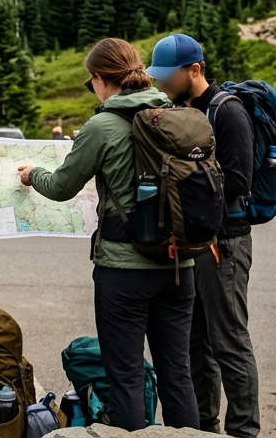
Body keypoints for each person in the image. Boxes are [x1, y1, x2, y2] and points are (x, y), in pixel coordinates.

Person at [18, 38, 199, 431]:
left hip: (124, 268)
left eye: (91, 83)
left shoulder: (101, 126)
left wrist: (34, 175)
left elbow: (62, 186)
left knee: (127, 377)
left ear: (100, 79)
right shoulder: (178, 115)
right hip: (179, 264)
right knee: (177, 373)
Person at [147, 33, 260, 438]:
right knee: (195, 344)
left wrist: (181, 180)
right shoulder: (177, 108)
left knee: (228, 340)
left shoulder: (227, 112)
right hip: (192, 244)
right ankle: (204, 429)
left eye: (167, 75)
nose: (160, 83)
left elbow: (238, 180)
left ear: (194, 70)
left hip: (225, 242)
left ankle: (244, 432)